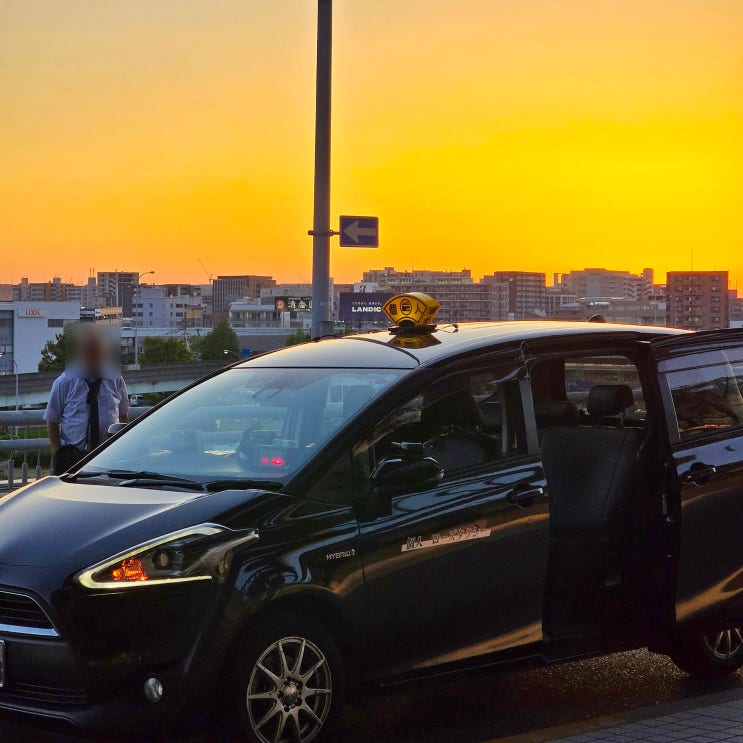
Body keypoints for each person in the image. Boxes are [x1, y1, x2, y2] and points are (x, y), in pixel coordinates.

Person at [44, 329, 129, 475]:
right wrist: (58, 454)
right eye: (89, 353)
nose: (93, 359)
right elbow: (52, 421)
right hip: (73, 457)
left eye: (97, 354)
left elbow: (123, 416)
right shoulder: (64, 382)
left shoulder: (115, 379)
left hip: (107, 456)